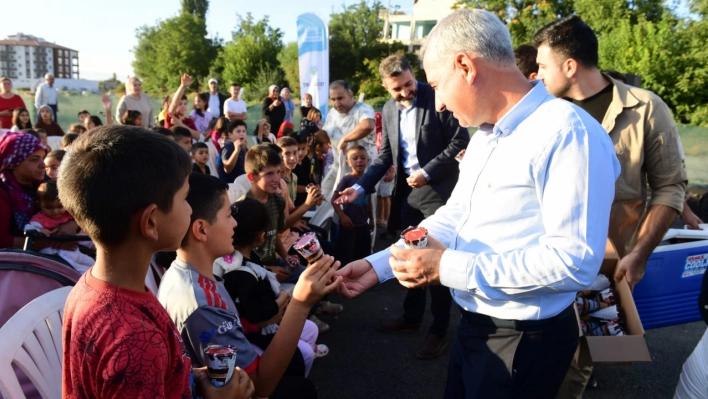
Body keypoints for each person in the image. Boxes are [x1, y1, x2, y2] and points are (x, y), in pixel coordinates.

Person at [334, 9, 621, 398]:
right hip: (477, 325)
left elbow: (574, 262)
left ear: (466, 66)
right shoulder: (487, 134)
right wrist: (382, 263)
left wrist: (447, 266)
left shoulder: (568, 134)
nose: (437, 104)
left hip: (523, 339)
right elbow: (456, 216)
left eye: (437, 84)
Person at [532, 15, 688, 398]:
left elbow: (670, 187)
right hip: (538, 262)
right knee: (532, 359)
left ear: (569, 66)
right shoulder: (538, 113)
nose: (535, 75)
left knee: (575, 367)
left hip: (602, 272)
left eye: (541, 65)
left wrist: (638, 254)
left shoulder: (647, 109)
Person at [59, 126, 254, 399]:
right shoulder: (134, 341)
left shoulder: (93, 287)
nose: (189, 208)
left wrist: (191, 377)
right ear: (151, 222)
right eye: (185, 198)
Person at [336, 54, 470, 359]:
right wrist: (358, 189)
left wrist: (428, 171)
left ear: (413, 75)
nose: (405, 92)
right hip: (408, 199)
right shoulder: (387, 108)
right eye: (397, 89)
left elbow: (459, 141)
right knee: (408, 259)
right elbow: (385, 157)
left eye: (409, 84)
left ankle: (439, 330)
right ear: (386, 86)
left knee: (435, 263)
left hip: (439, 194)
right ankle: (411, 319)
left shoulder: (437, 97)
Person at [159, 172, 338, 398]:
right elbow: (258, 386)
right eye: (228, 215)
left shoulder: (182, 273)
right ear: (201, 229)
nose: (235, 223)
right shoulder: (204, 304)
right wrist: (301, 304)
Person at [213, 198, 328, 377]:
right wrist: (281, 301)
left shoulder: (245, 257)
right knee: (303, 353)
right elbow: (257, 314)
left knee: (311, 328)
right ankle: (289, 378)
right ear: (260, 236)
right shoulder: (240, 275)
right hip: (257, 332)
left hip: (267, 320)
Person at [319, 80, 376, 200]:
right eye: (333, 99)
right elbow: (326, 135)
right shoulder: (332, 113)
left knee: (356, 211)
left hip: (361, 173)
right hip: (338, 168)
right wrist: (312, 134)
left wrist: (345, 139)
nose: (337, 103)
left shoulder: (363, 109)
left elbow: (368, 125)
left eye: (340, 98)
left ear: (351, 95)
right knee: (322, 197)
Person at [24, 180, 94, 273]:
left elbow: (81, 232)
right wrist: (40, 230)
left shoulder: (69, 216)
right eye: (49, 208)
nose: (55, 211)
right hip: (53, 253)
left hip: (74, 251)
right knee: (74, 269)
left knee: (93, 264)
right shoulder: (40, 219)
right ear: (39, 204)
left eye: (60, 207)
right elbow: (28, 228)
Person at [0, 132, 47, 249]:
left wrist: (70, 224)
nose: (43, 165)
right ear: (13, 162)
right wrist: (53, 243)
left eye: (43, 158)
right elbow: (1, 240)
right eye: (34, 159)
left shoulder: (45, 184)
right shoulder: (3, 190)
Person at [331, 145, 373, 265]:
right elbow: (334, 200)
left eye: (362, 158)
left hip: (363, 223)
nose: (359, 160)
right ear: (348, 162)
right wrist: (342, 216)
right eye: (355, 158)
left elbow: (369, 200)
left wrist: (372, 220)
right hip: (349, 225)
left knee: (363, 254)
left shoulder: (368, 179)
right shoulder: (346, 180)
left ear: (367, 160)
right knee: (345, 254)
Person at [165, 74, 200, 140]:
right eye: (180, 104)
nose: (183, 106)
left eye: (185, 104)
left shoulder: (189, 121)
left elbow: (197, 136)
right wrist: (183, 86)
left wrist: (180, 124)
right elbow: (174, 104)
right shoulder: (171, 117)